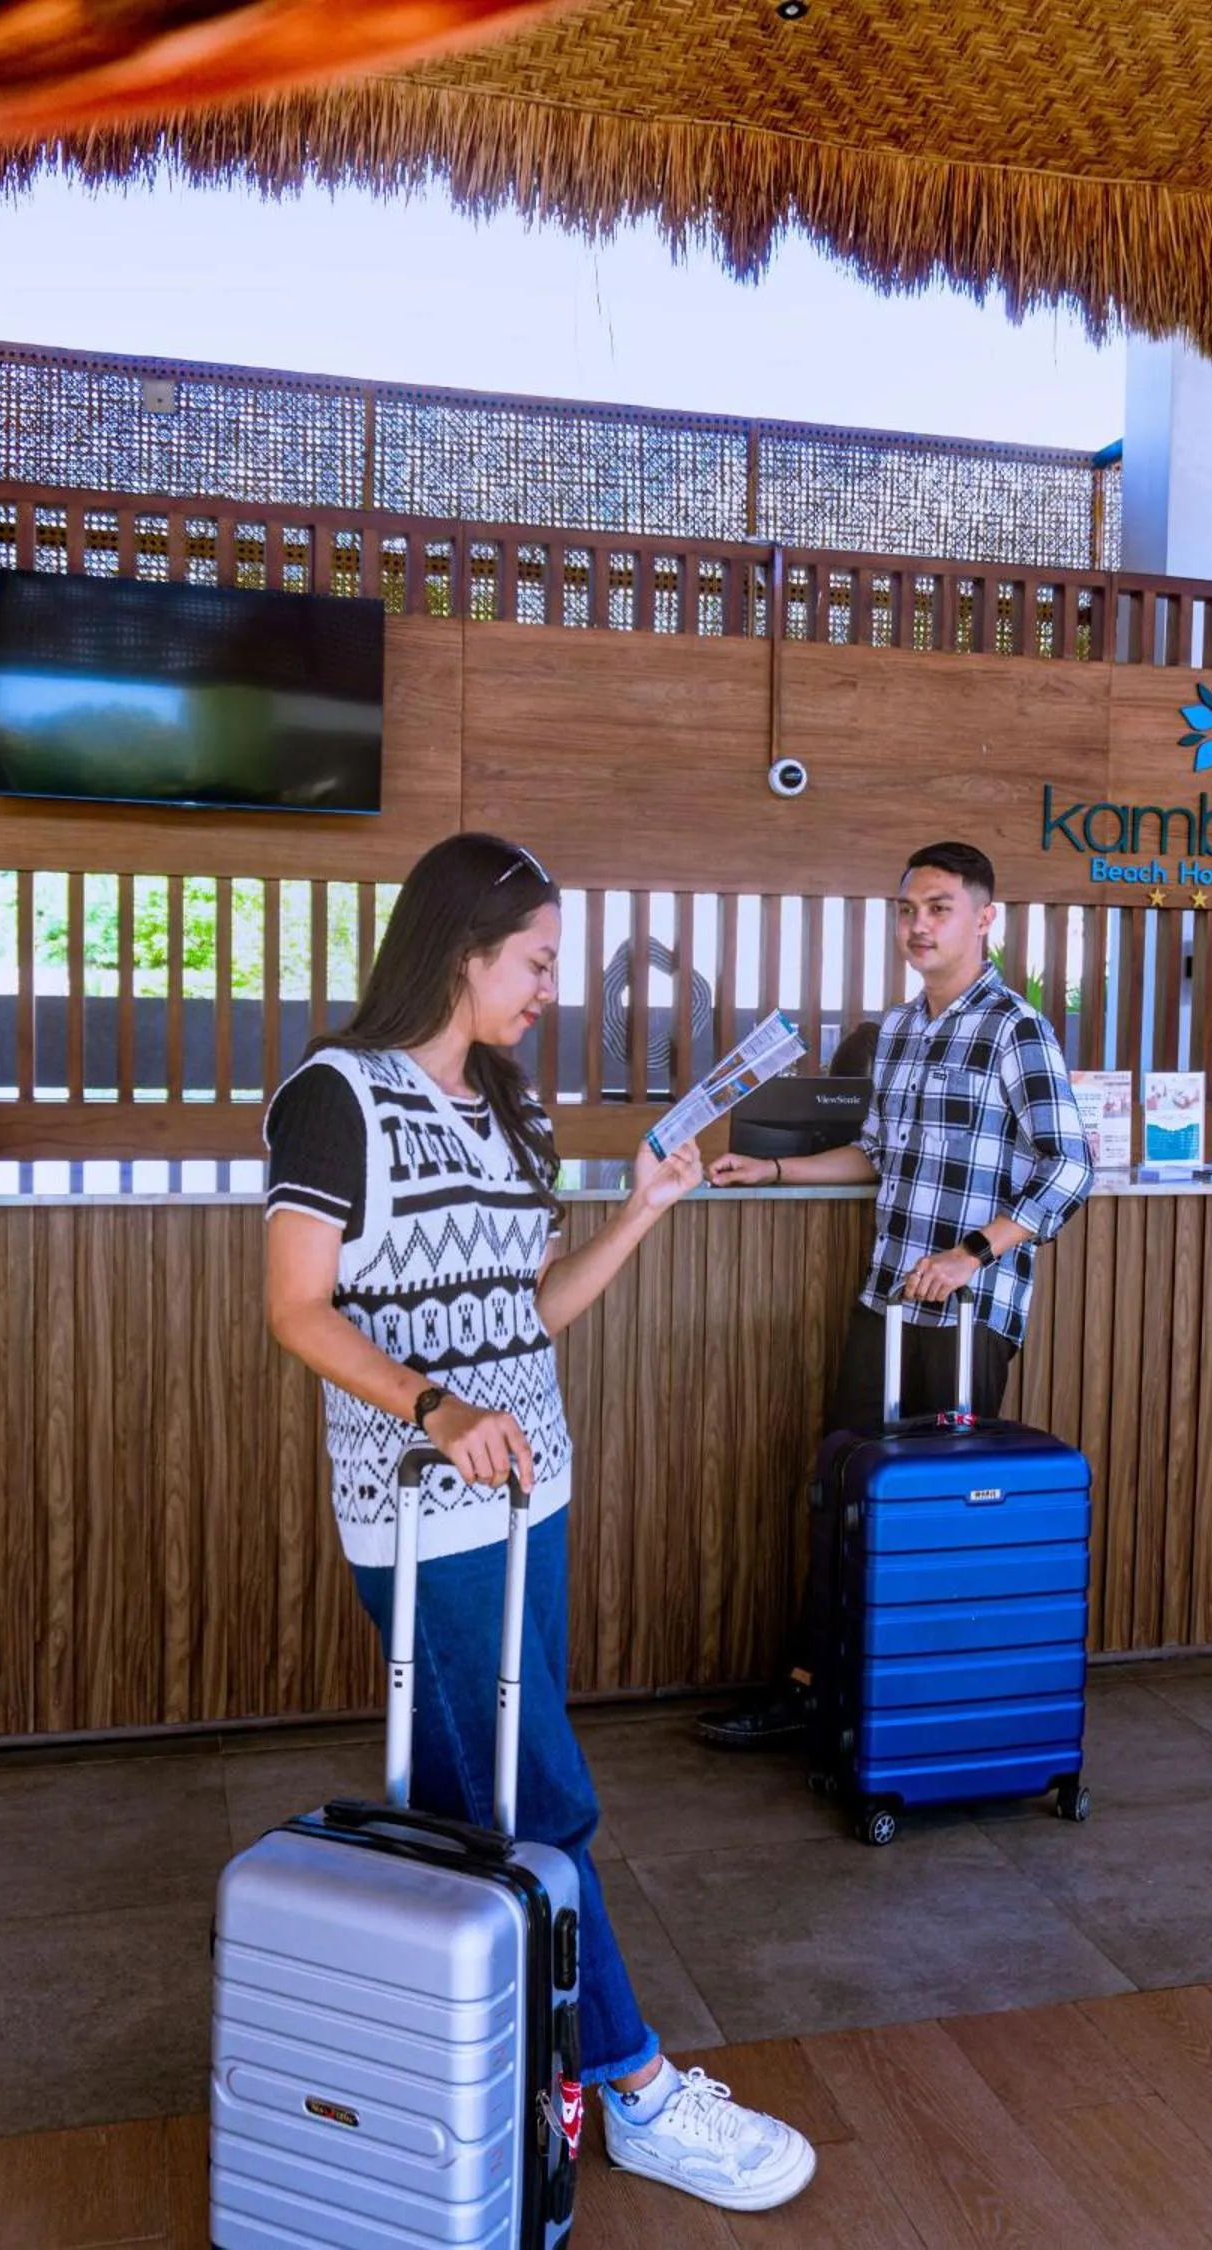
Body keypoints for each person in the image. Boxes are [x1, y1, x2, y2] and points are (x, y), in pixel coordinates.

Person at [263, 832, 815, 2214]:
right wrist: (435, 1407)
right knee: (539, 1799)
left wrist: (638, 1213)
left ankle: (508, 2057)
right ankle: (633, 2084)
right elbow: (294, 1307)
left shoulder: (509, 1104)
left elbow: (530, 1313)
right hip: (425, 1516)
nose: (549, 990)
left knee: (487, 1801)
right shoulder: (335, 1096)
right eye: (537, 962)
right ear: (462, 951)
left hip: (534, 1496)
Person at [698, 839, 1094, 1748]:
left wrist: (971, 1253)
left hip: (962, 1321)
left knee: (935, 1513)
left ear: (985, 919)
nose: (918, 925)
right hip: (884, 1297)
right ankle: (813, 1693)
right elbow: (874, 1153)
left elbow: (1070, 1170)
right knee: (842, 1488)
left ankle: (920, 1713)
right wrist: (773, 1169)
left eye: (940, 908)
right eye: (909, 909)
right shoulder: (900, 1031)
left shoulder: (1016, 1030)